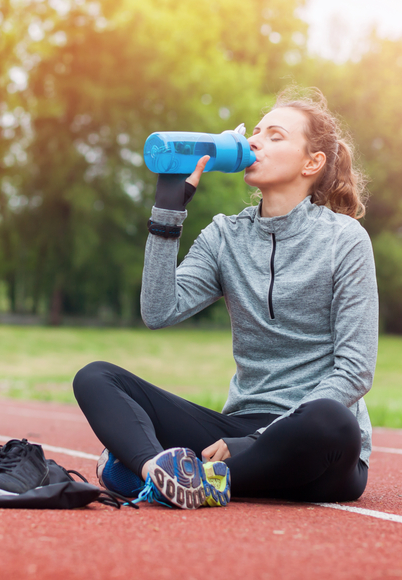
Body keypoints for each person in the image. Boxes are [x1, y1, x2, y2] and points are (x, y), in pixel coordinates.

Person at [73, 87, 378, 509]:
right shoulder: (225, 235)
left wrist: (255, 440)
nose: (255, 141)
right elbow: (158, 311)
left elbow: (356, 370)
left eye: (275, 136)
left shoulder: (344, 240)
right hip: (235, 430)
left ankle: (193, 475)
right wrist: (167, 211)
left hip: (311, 442)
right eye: (255, 131)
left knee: (332, 421)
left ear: (313, 162)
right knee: (96, 377)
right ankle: (156, 474)